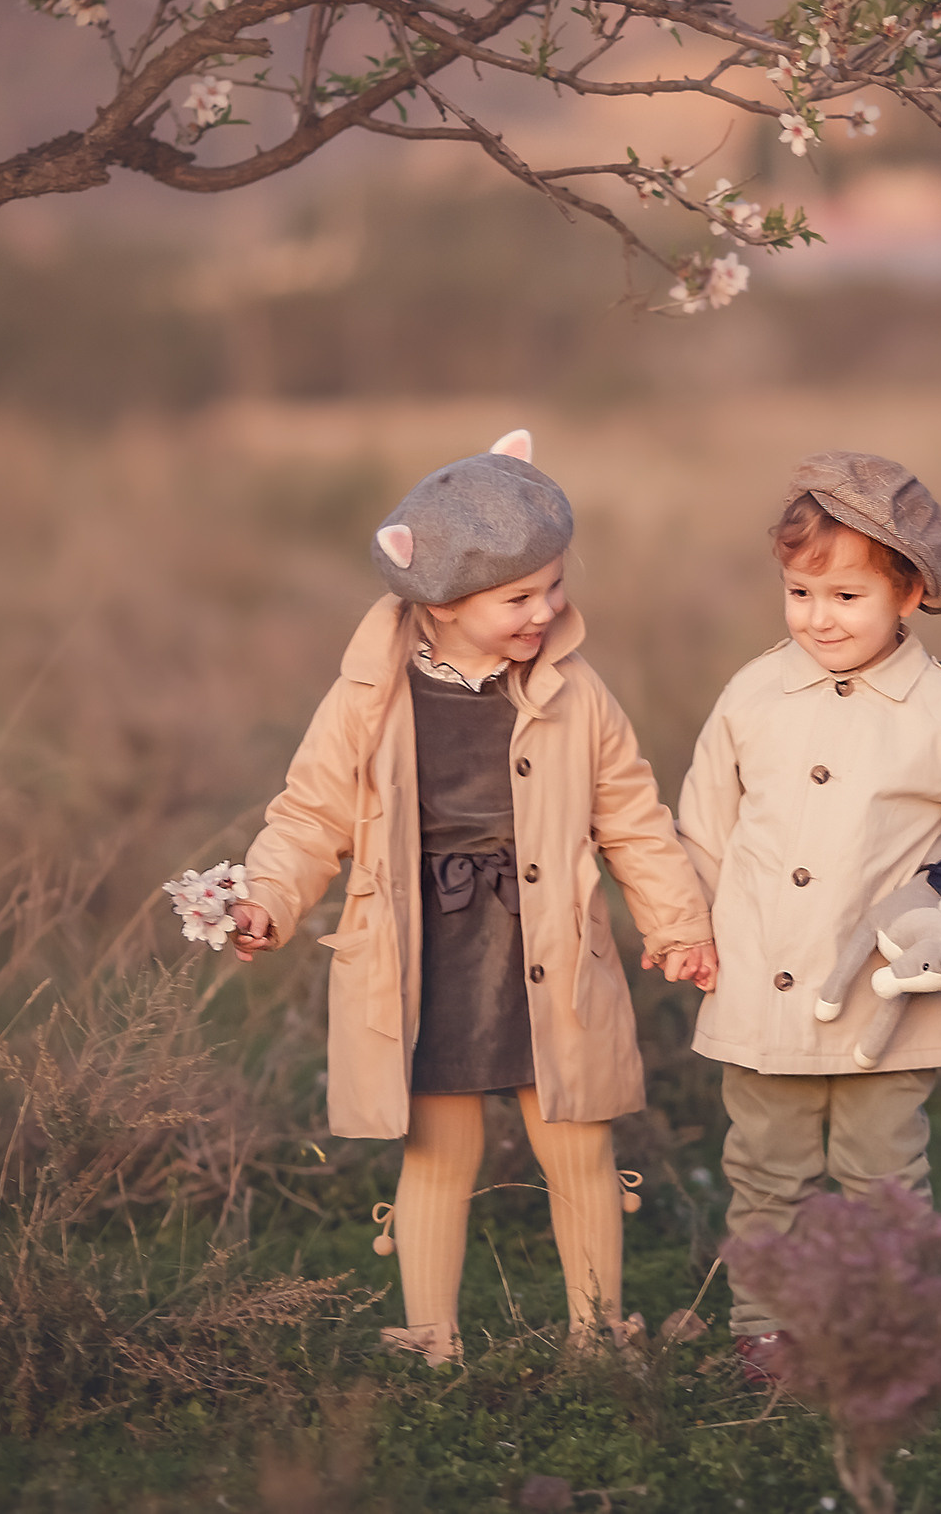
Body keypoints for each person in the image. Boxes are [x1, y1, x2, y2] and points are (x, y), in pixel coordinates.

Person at [211, 430, 718, 1364]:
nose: (545, 610)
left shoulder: (576, 691)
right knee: (437, 1153)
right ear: (436, 602)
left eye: (554, 586)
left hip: (550, 943)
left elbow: (632, 817)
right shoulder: (367, 697)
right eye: (518, 597)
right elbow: (310, 811)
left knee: (577, 1143)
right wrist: (267, 898)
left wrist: (678, 924)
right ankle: (430, 1336)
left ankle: (597, 1333)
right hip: (427, 951)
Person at [676, 450, 941, 1376]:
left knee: (883, 1176)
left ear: (910, 594)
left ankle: (891, 1328)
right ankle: (764, 1327)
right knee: (763, 1169)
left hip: (888, 1002)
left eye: (847, 597)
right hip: (760, 992)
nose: (820, 618)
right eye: (801, 593)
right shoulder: (752, 694)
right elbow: (702, 826)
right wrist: (687, 927)